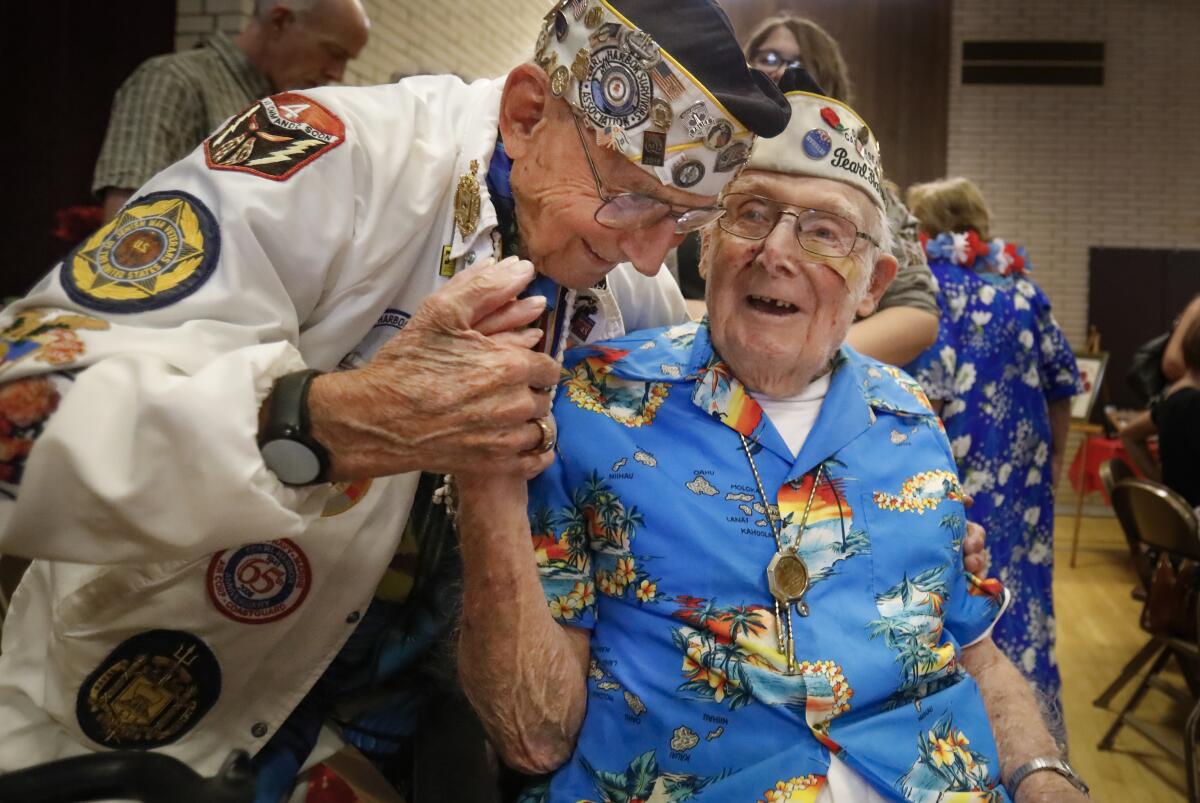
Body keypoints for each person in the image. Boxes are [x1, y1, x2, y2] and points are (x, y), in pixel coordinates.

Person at [0, 1, 790, 800]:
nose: (650, 254)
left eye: (683, 220)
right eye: (627, 198)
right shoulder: (327, 153)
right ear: (525, 114)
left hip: (392, 737)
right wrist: (333, 420)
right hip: (142, 712)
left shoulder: (629, 287)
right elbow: (23, 408)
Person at [457, 82, 1087, 802]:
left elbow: (974, 647)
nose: (775, 251)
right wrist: (482, 472)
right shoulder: (590, 404)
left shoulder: (911, 416)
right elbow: (532, 735)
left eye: (823, 231)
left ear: (874, 281)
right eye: (751, 214)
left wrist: (1045, 775)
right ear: (711, 244)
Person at [903, 176, 1082, 745]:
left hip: (955, 478)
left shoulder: (930, 290)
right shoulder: (1024, 291)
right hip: (1025, 485)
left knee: (952, 607)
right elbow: (1063, 383)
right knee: (1023, 604)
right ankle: (1035, 741)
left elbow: (925, 393)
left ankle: (962, 747)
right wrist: (1052, 467)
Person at [674, 15, 940, 368]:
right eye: (768, 58)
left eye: (824, 229)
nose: (782, 71)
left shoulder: (870, 196)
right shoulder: (687, 169)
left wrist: (803, 354)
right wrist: (730, 326)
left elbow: (916, 314)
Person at [93, 0, 372, 222]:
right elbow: (125, 221)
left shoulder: (281, 109)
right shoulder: (173, 81)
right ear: (280, 22)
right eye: (334, 53)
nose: (337, 73)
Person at [1121, 309, 1200, 509]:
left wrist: (1161, 485)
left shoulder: (1174, 397)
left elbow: (1129, 434)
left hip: (1177, 518)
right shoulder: (1193, 402)